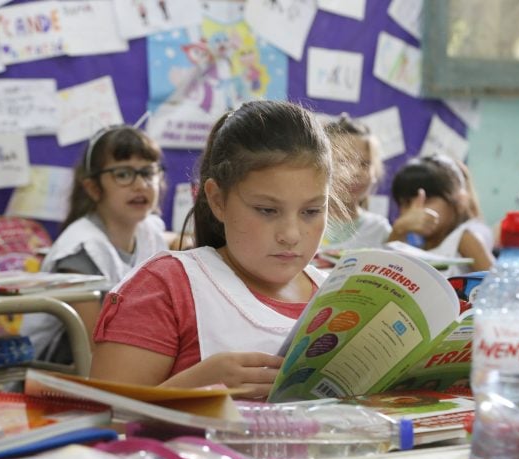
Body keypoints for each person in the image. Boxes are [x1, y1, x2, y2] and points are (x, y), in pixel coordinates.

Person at [90, 100, 344, 398]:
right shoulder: (167, 287)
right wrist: (192, 388)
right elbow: (102, 420)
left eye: (312, 211)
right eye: (266, 210)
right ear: (218, 200)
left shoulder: (338, 296)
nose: (290, 234)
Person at [21, 125, 169, 363]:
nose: (140, 185)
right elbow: (94, 346)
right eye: (123, 174)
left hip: (121, 362)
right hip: (59, 372)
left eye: (148, 172)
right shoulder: (80, 249)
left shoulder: (149, 230)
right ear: (92, 187)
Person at [388, 154, 494, 276]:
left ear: (459, 201)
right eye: (406, 203)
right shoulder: (416, 244)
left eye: (427, 199)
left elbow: (496, 285)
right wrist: (398, 230)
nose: (415, 210)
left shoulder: (464, 238)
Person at [320, 113, 391, 250]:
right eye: (344, 162)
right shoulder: (303, 220)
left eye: (365, 164)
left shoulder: (379, 230)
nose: (356, 172)